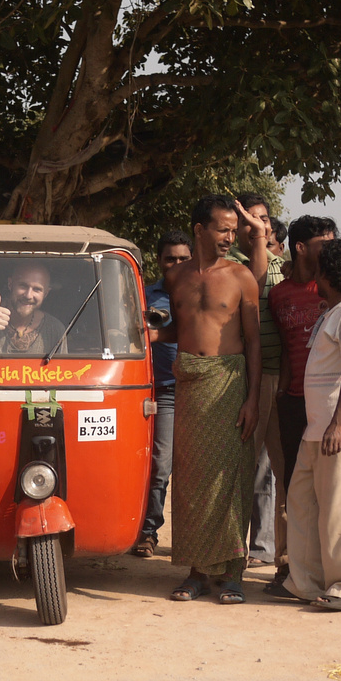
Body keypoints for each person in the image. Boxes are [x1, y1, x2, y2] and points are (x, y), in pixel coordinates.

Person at [152, 196, 260, 604]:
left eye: (234, 231)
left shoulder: (241, 276)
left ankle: (233, 574)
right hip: (189, 384)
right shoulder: (176, 278)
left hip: (228, 383)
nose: (230, 237)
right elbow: (181, 330)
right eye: (223, 229)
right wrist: (151, 337)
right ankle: (196, 572)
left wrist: (252, 399)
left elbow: (252, 342)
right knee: (192, 481)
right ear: (199, 229)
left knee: (229, 479)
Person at [282, 239, 341, 610]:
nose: (314, 278)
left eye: (319, 271)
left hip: (340, 430)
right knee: (302, 504)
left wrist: (338, 424)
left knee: (338, 511)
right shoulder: (334, 311)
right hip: (316, 429)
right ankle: (306, 582)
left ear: (329, 275)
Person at [264, 215, 339, 594]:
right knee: (293, 486)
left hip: (330, 405)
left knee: (332, 490)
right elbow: (286, 344)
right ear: (300, 247)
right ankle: (289, 567)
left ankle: (330, 571)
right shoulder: (279, 295)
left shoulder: (338, 291)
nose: (329, 247)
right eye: (322, 242)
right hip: (294, 402)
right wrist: (284, 389)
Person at [227, 191, 287, 569]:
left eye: (261, 219)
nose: (255, 226)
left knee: (282, 472)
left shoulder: (285, 266)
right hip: (250, 376)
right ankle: (234, 551)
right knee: (244, 468)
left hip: (285, 378)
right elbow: (258, 279)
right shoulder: (231, 266)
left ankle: (277, 554)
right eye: (246, 220)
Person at [132, 231, 192, 558]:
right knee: (159, 465)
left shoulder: (201, 291)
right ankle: (148, 531)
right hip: (161, 391)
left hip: (197, 389)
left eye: (184, 258)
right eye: (171, 258)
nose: (177, 264)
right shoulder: (143, 295)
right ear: (160, 261)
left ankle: (190, 540)